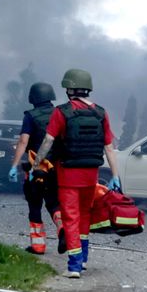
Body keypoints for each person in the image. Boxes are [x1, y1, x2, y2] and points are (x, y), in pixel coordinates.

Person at [32, 69, 120, 278]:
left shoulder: (61, 112)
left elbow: (48, 141)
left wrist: (36, 164)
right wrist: (115, 175)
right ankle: (84, 259)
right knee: (85, 215)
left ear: (69, 89)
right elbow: (109, 148)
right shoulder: (101, 113)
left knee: (70, 217)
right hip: (91, 175)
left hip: (68, 175)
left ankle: (74, 266)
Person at [9, 82, 65, 255]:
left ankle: (38, 246)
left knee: (35, 206)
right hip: (56, 168)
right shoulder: (60, 113)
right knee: (54, 203)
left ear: (32, 98)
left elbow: (23, 141)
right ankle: (62, 229)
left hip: (37, 169)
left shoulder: (30, 116)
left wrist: (14, 166)